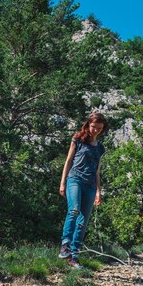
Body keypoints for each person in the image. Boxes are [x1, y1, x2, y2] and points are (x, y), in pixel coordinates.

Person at [59, 112, 108, 269]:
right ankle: (65, 245)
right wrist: (62, 183)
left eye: (99, 128)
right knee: (73, 210)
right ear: (88, 125)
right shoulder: (78, 139)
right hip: (75, 180)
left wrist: (99, 191)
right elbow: (68, 161)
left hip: (91, 185)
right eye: (93, 127)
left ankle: (74, 257)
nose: (95, 130)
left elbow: (97, 172)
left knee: (82, 223)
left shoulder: (100, 148)